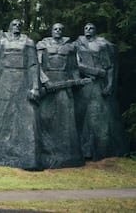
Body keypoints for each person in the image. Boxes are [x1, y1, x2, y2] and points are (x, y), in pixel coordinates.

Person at [0, 19, 42, 170]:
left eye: (19, 24)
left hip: (22, 82)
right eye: (13, 24)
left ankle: (26, 159)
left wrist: (35, 87)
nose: (17, 27)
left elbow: (34, 66)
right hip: (3, 82)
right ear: (8, 27)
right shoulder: (0, 42)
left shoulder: (28, 43)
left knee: (25, 121)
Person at [73, 23, 128, 160]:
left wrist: (109, 85)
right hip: (84, 84)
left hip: (98, 85)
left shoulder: (102, 45)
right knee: (81, 116)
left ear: (96, 30)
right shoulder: (77, 45)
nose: (88, 30)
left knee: (98, 116)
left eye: (91, 28)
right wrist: (95, 71)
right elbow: (75, 64)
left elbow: (109, 66)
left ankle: (99, 149)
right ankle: (83, 148)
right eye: (86, 27)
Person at [36, 23, 85, 169]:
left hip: (64, 82)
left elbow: (74, 68)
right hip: (48, 83)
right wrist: (45, 81)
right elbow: (36, 65)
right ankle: (44, 153)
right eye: (55, 29)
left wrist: (77, 82)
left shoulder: (70, 47)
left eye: (60, 29)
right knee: (44, 117)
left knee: (65, 119)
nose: (57, 31)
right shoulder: (42, 45)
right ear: (51, 31)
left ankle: (67, 155)